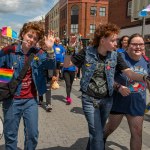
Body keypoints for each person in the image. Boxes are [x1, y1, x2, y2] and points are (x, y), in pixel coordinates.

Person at [67, 23, 150, 150]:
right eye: (113, 40)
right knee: (98, 134)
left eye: (116, 40)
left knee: (98, 133)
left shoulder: (115, 55)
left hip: (107, 100)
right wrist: (70, 49)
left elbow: (130, 73)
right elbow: (67, 65)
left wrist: (145, 78)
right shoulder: (87, 52)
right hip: (90, 99)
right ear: (102, 40)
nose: (116, 43)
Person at [0, 21, 55, 150]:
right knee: (11, 135)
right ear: (23, 34)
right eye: (30, 36)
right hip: (12, 100)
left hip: (31, 100)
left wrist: (50, 49)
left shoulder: (38, 53)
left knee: (33, 135)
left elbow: (51, 65)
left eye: (35, 38)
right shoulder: (10, 51)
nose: (31, 40)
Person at [104, 33, 150, 150]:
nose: (138, 47)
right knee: (110, 128)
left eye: (141, 44)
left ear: (144, 46)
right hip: (118, 102)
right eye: (134, 44)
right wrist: (118, 87)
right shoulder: (119, 57)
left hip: (137, 103)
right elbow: (107, 77)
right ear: (128, 45)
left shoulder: (147, 61)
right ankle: (99, 140)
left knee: (137, 133)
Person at [37, 38, 54, 112]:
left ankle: (48, 104)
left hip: (48, 73)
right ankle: (40, 100)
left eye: (46, 44)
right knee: (40, 87)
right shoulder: (38, 52)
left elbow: (54, 63)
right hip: (40, 74)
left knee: (48, 89)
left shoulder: (50, 51)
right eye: (43, 44)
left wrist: (55, 74)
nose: (45, 46)